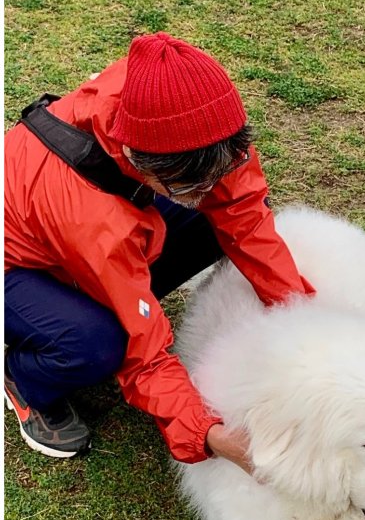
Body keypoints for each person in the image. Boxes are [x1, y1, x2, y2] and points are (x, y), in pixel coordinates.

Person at [4, 32, 311, 461]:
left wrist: (302, 315)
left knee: (212, 219)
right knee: (97, 344)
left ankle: (92, 300)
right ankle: (25, 380)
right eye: (185, 185)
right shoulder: (91, 217)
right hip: (17, 264)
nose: (206, 190)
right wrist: (206, 433)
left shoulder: (194, 109)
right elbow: (144, 356)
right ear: (135, 157)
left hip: (74, 232)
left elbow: (242, 211)